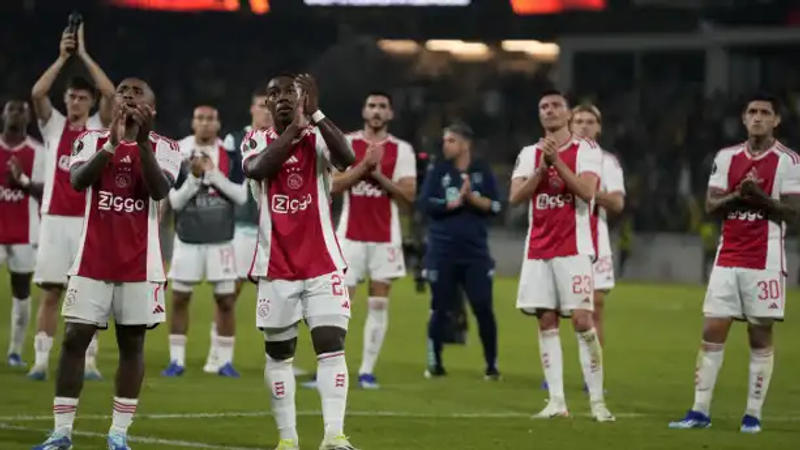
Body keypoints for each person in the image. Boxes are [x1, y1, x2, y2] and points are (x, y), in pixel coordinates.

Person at [33, 77, 180, 450]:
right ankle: (62, 432)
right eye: (123, 92)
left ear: (152, 109)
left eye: (137, 93)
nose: (128, 97)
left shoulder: (166, 147)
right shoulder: (90, 139)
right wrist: (112, 145)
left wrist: (141, 142)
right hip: (92, 261)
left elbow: (160, 190)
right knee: (74, 339)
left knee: (132, 345)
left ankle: (118, 433)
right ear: (112, 104)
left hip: (140, 266)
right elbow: (79, 180)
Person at [669, 93, 800, 434]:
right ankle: (699, 411)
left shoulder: (789, 161)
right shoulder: (726, 157)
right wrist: (738, 195)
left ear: (776, 121)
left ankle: (752, 415)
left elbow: (794, 213)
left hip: (765, 260)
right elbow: (712, 206)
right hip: (728, 257)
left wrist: (759, 197)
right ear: (744, 119)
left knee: (759, 335)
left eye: (765, 113)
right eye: (752, 112)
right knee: (712, 332)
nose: (758, 117)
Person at [242, 73, 357, 450]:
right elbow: (259, 169)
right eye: (273, 93)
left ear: (303, 97)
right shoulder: (255, 139)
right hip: (275, 267)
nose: (281, 98)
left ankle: (333, 436)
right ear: (266, 104)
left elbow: (347, 159)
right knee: (280, 354)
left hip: (322, 262)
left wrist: (318, 115)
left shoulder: (317, 137)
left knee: (330, 343)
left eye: (289, 92)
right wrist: (295, 129)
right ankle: (288, 439)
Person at [508, 89, 614, 422]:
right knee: (546, 321)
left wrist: (557, 164)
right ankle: (557, 402)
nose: (549, 110)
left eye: (556, 106)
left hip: (574, 249)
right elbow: (514, 197)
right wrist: (541, 169)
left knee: (583, 321)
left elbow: (587, 192)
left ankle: (597, 402)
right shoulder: (528, 153)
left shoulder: (587, 150)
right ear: (539, 115)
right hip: (538, 248)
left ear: (567, 114)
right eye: (544, 107)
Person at [28, 23, 114, 381]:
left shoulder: (99, 125)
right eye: (72, 97)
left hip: (88, 220)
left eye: (82, 97)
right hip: (54, 219)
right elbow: (37, 93)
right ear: (66, 101)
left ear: (90, 103)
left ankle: (90, 361)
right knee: (51, 292)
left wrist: (83, 54)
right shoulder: (53, 126)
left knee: (89, 293)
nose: (76, 102)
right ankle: (41, 362)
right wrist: (63, 57)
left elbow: (110, 93)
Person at [330, 91, 416, 389]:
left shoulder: (402, 150)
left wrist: (377, 175)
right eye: (372, 105)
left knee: (378, 305)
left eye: (382, 106)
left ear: (390, 114)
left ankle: (367, 370)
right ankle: (332, 370)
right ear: (364, 111)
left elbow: (408, 196)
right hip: (349, 236)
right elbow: (332, 185)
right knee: (339, 305)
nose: (377, 111)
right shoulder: (348, 144)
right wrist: (363, 168)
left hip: (384, 239)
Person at [162, 105, 247, 377]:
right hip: (187, 239)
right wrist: (194, 179)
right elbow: (174, 201)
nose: (205, 123)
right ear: (193, 123)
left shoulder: (230, 155)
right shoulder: (177, 152)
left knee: (225, 301)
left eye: (211, 119)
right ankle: (177, 361)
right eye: (200, 118)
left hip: (221, 240)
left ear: (218, 124)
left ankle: (225, 362)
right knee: (180, 299)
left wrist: (211, 175)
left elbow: (241, 196)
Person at [418, 122, 501, 379]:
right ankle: (435, 362)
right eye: (445, 140)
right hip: (442, 252)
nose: (445, 145)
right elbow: (424, 204)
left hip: (475, 254)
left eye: (450, 141)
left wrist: (474, 200)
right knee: (440, 307)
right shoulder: (438, 170)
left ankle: (491, 365)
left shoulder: (482, 170)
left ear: (465, 144)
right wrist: (451, 203)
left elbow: (497, 205)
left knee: (483, 308)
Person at [570, 104, 625, 347]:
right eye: (579, 121)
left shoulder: (607, 162)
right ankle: (554, 375)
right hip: (562, 239)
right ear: (570, 125)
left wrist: (586, 191)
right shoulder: (560, 158)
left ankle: (593, 376)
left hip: (595, 241)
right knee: (557, 311)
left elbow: (616, 202)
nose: (584, 126)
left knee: (594, 311)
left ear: (599, 128)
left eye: (590, 121)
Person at [1, 100, 44, 367]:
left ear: (28, 118)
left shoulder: (38, 152)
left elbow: (46, 191)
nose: (16, 114)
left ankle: (15, 351)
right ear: (3, 114)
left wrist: (22, 182)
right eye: (12, 109)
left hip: (25, 232)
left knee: (21, 290)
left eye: (22, 110)